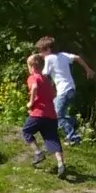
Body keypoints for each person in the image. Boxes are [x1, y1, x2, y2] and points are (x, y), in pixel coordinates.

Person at [37, 36, 96, 145]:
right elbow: (77, 57)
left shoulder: (49, 58)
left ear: (48, 50)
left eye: (41, 51)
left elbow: (45, 74)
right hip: (71, 89)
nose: (40, 54)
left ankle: (73, 137)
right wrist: (88, 69)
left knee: (56, 116)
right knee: (55, 112)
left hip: (63, 91)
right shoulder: (63, 55)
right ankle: (72, 122)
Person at [22, 51, 65, 179]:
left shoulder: (33, 77)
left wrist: (31, 102)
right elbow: (52, 95)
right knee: (52, 139)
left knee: (26, 131)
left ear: (32, 67)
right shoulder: (46, 80)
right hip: (51, 115)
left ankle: (38, 152)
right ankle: (61, 164)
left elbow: (34, 87)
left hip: (38, 114)